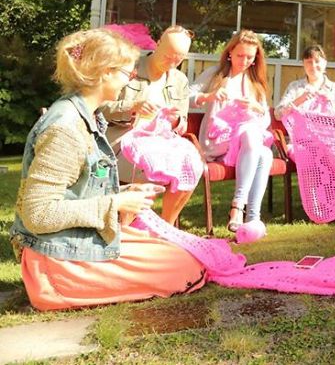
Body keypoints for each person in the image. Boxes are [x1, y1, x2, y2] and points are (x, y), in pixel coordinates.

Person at [9, 29, 206, 311]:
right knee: (184, 270)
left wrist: (127, 191)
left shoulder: (85, 116)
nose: (131, 78)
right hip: (57, 260)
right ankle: (56, 292)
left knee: (184, 255)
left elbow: (78, 189)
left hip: (74, 242)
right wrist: (118, 202)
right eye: (127, 73)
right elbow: (39, 214)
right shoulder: (65, 127)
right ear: (105, 74)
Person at [102, 25, 195, 224]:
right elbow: (101, 107)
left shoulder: (180, 80)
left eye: (178, 58)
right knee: (151, 165)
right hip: (122, 140)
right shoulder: (129, 68)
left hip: (160, 142)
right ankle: (128, 230)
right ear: (157, 44)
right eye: (168, 55)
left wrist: (175, 120)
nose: (172, 62)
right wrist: (133, 107)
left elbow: (182, 124)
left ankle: (165, 227)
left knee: (192, 165)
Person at [190, 30, 273, 232]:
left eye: (250, 58)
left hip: (246, 147)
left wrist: (255, 107)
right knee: (251, 136)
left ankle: (252, 217)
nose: (244, 61)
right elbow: (187, 96)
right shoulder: (215, 74)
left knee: (266, 152)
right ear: (229, 53)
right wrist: (209, 96)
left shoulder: (254, 83)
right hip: (218, 141)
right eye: (240, 56)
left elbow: (265, 121)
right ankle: (238, 206)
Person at [275, 44, 335, 121]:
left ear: (325, 63)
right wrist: (298, 101)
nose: (313, 65)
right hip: (299, 132)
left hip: (327, 132)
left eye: (317, 61)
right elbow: (278, 115)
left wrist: (330, 103)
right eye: (309, 62)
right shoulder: (294, 87)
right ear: (303, 64)